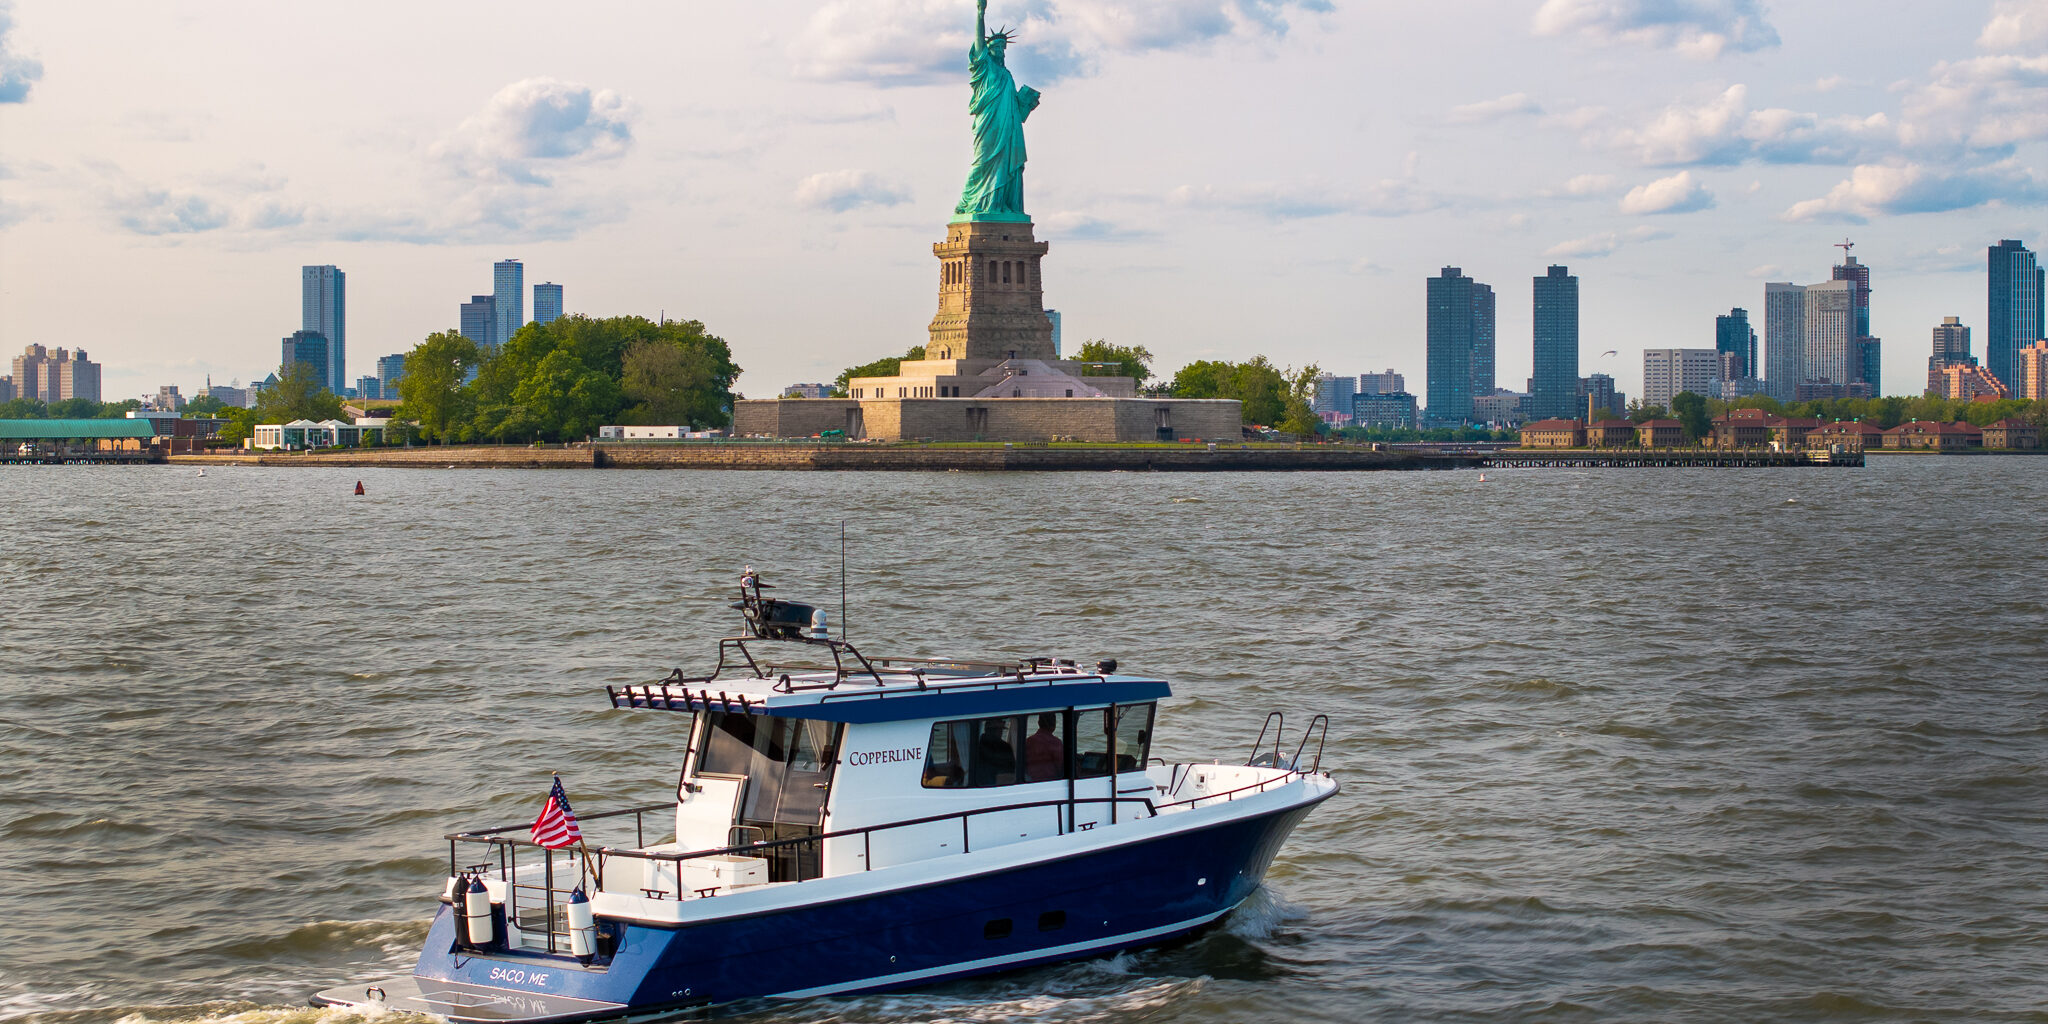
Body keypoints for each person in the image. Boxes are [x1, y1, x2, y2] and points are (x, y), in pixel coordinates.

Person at [973, 719, 1016, 786]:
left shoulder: (975, 746)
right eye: (1000, 730)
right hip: (1000, 785)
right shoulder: (1005, 747)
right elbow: (1011, 769)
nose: (1001, 732)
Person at [1024, 713, 1064, 782]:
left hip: (1030, 781)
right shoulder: (1056, 743)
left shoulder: (1027, 741)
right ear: (1054, 724)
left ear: (1038, 723)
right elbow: (1061, 768)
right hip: (1051, 782)